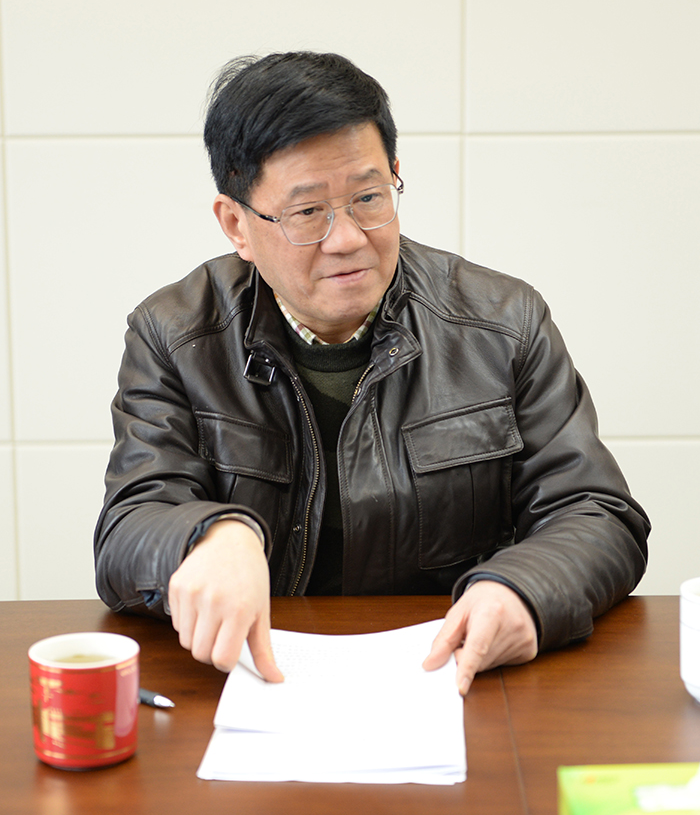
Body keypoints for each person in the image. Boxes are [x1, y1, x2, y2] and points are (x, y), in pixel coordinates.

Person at [94, 51, 650, 696]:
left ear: (395, 179)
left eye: (368, 197)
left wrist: (525, 590)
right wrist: (208, 535)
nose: (348, 238)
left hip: (449, 678)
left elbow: (596, 511)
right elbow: (128, 528)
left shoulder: (503, 323)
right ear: (236, 225)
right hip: (254, 682)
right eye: (308, 212)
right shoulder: (174, 335)